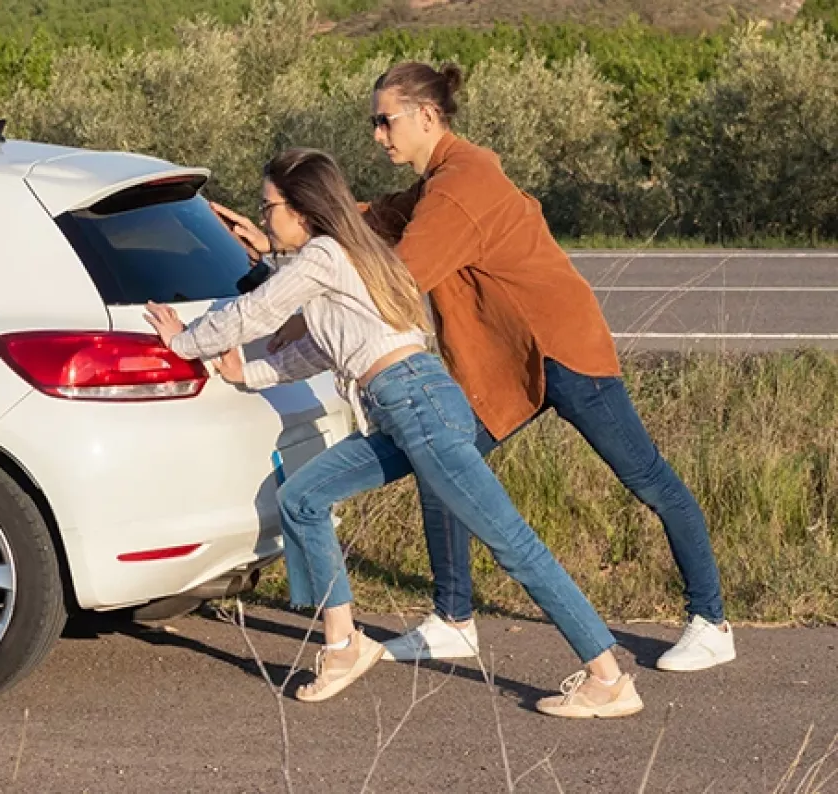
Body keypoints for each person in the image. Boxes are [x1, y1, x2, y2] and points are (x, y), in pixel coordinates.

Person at [210, 61, 736, 674]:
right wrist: (294, 229)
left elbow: (390, 285)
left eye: (385, 122)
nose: (378, 135)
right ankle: (454, 621)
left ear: (426, 117)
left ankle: (711, 620)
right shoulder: (440, 179)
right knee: (441, 472)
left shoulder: (461, 187)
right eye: (374, 123)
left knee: (644, 475)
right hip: (504, 361)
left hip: (560, 349)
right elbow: (374, 215)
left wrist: (292, 270)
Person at [145, 147, 643, 718]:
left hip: (415, 407)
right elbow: (321, 348)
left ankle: (607, 677)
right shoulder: (353, 258)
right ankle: (342, 646)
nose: (263, 220)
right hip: (417, 404)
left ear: (303, 210)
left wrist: (184, 340)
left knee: (514, 545)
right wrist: (247, 372)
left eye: (269, 207)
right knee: (302, 498)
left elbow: (253, 314)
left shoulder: (321, 256)